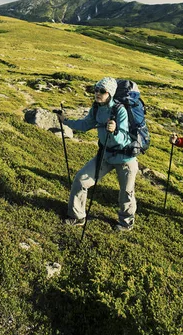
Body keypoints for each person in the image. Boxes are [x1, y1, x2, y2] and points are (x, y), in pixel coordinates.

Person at [57, 77, 138, 232]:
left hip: (125, 158)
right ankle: (77, 216)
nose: (97, 93)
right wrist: (65, 121)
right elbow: (86, 124)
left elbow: (124, 139)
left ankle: (126, 223)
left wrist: (114, 131)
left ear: (110, 93)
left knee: (126, 193)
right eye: (96, 89)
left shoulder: (120, 110)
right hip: (106, 154)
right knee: (81, 179)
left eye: (102, 91)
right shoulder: (96, 107)